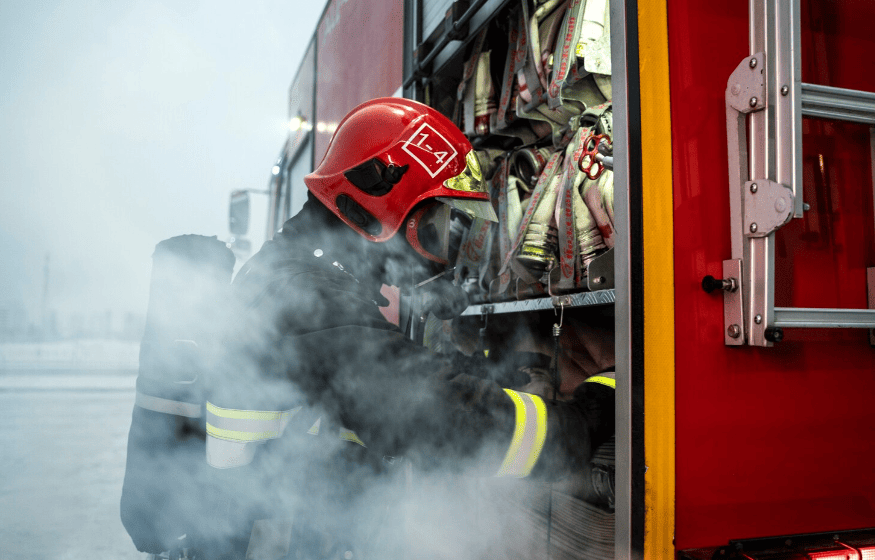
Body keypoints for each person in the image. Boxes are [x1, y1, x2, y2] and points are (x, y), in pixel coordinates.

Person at [125, 97, 615, 559]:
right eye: (436, 225)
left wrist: (480, 370)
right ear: (382, 201)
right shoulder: (312, 295)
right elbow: (434, 417)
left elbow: (372, 382)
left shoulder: (294, 271)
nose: (442, 248)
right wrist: (587, 418)